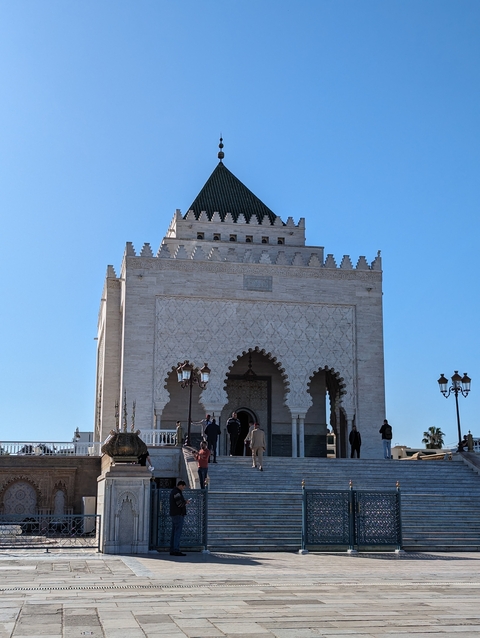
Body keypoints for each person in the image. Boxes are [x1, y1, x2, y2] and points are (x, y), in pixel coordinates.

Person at [169, 480, 191, 556]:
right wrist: (185, 502)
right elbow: (179, 504)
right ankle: (176, 549)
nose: (183, 489)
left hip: (175, 514)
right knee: (177, 533)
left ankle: (172, 549)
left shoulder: (174, 492)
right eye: (183, 487)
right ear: (180, 485)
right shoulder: (176, 492)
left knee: (174, 532)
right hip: (178, 514)